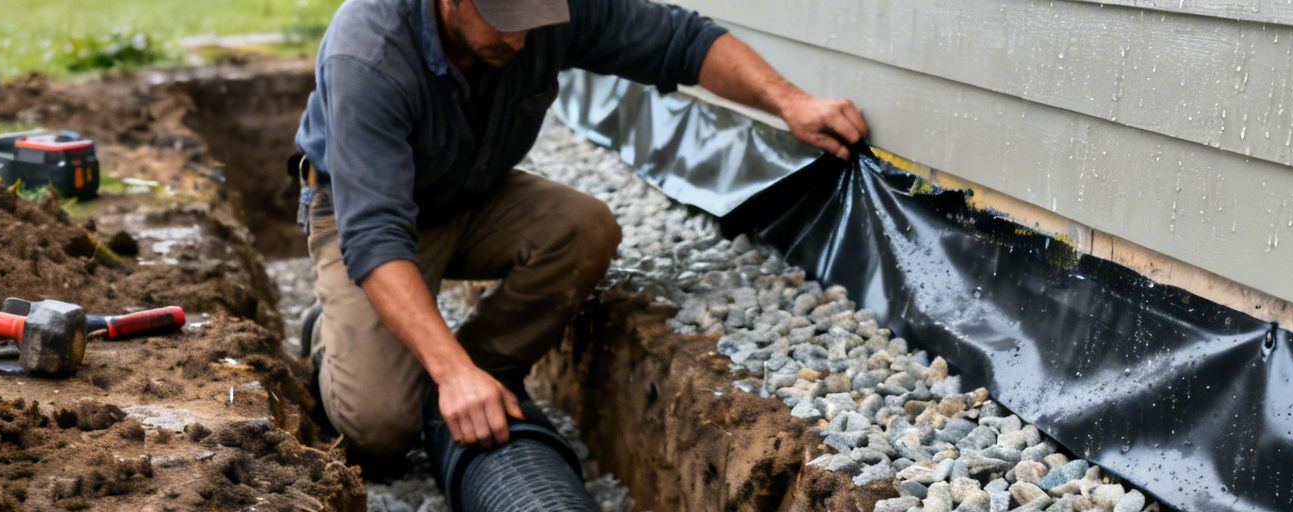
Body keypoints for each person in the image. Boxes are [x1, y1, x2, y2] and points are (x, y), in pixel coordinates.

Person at [294, 0, 867, 459]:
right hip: (370, 216)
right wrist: (448, 372)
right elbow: (375, 235)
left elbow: (681, 42)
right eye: (506, 20)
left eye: (532, 21)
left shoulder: (549, 15)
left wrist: (790, 102)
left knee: (582, 228)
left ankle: (479, 379)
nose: (521, 40)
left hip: (471, 196)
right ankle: (334, 334)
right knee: (377, 429)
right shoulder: (367, 51)